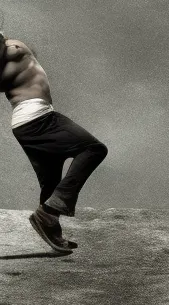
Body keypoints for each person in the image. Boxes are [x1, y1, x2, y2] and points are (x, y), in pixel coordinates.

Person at [0, 31, 108, 253]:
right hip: (38, 119)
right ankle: (48, 214)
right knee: (94, 149)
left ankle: (51, 229)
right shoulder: (11, 51)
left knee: (50, 182)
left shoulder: (13, 50)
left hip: (26, 123)